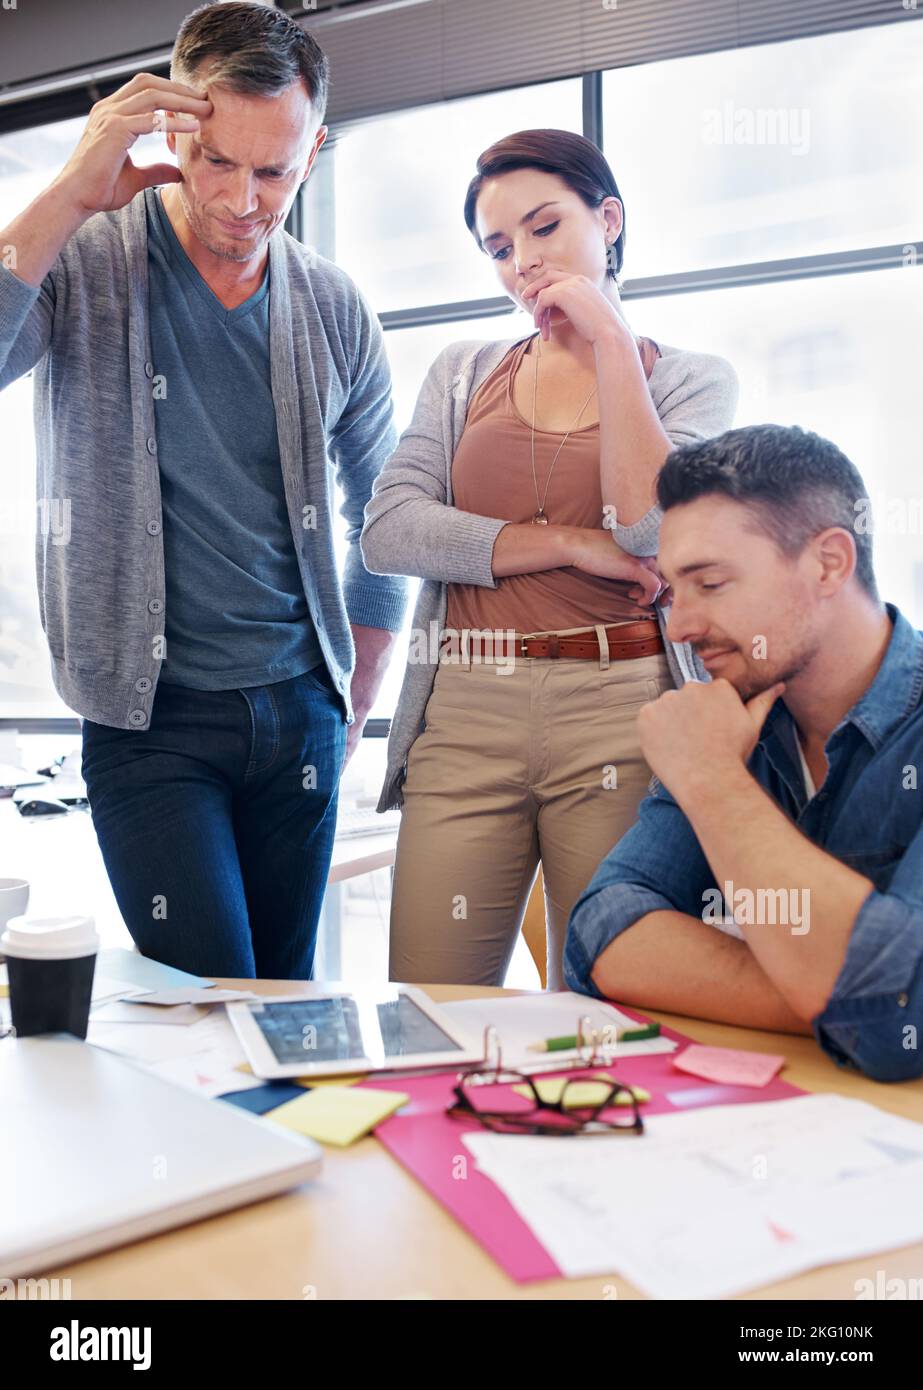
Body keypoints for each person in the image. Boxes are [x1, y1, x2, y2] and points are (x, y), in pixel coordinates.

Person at [0, 2, 407, 978]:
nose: (241, 198)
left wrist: (353, 693)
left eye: (273, 170)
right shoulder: (88, 261)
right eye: (217, 160)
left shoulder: (331, 304)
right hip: (153, 727)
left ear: (311, 154)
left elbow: (384, 515)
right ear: (171, 128)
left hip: (299, 711)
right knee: (209, 1008)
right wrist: (66, 189)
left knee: (286, 1006)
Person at [361, 129, 737, 988]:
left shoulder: (690, 380)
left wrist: (608, 342)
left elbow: (648, 529)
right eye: (499, 247)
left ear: (607, 221)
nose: (523, 261)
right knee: (430, 1000)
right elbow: (389, 529)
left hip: (618, 708)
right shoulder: (462, 372)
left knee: (602, 1006)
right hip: (463, 712)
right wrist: (571, 545)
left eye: (544, 228)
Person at [564, 423, 923, 1083]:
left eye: (710, 583)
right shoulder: (727, 717)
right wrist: (835, 993)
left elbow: (901, 1019)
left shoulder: (707, 748)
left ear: (827, 563)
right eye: (674, 590)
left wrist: (711, 782)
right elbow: (603, 932)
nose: (678, 626)